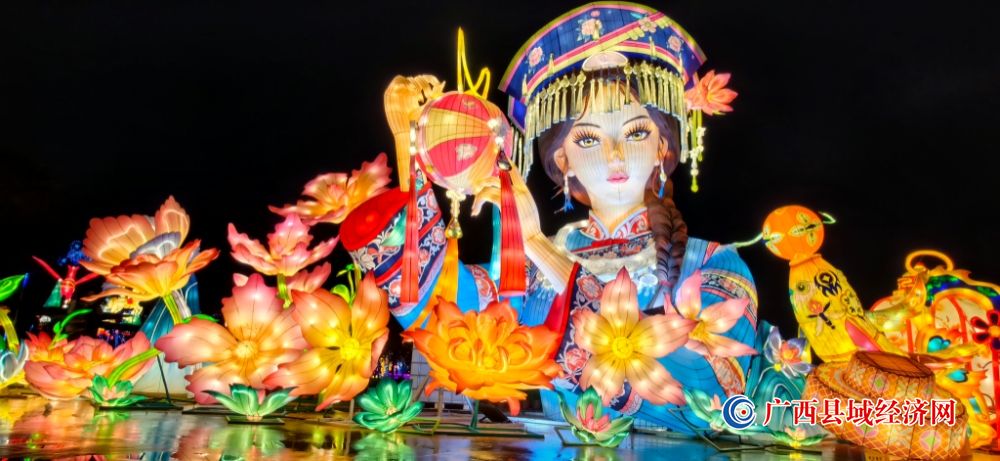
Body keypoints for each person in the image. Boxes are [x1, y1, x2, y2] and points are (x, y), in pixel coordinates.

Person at [345, 2, 756, 432]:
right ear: (564, 160)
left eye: (636, 132)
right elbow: (443, 313)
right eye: (588, 139)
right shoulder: (531, 273)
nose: (615, 155)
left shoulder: (714, 264)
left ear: (662, 148)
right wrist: (409, 143)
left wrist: (538, 244)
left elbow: (710, 401)